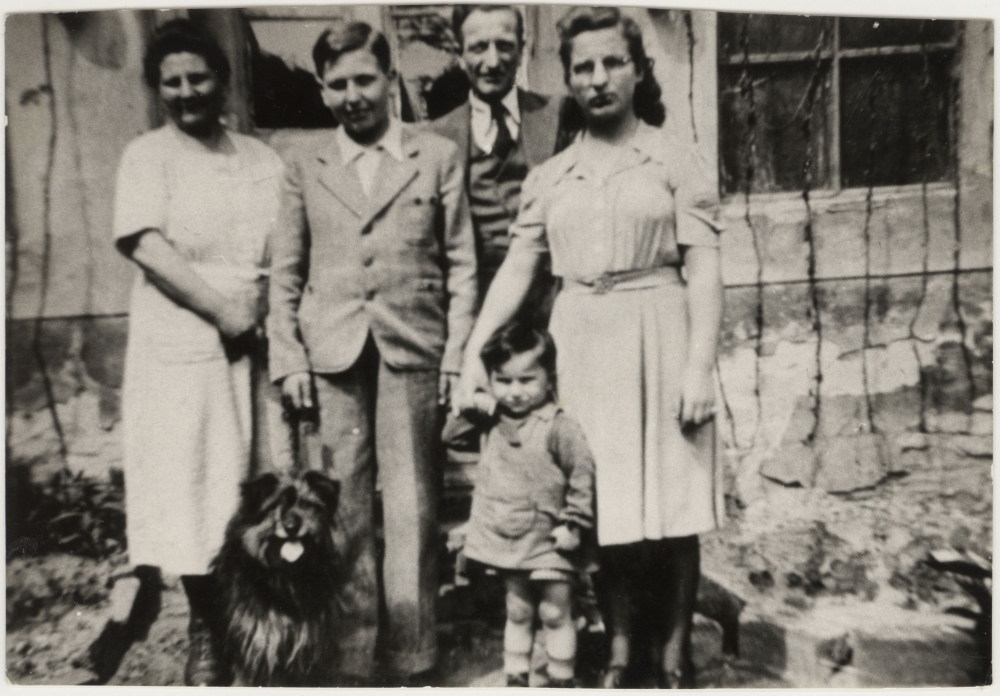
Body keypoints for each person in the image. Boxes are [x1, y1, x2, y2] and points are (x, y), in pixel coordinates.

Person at [453, 7, 724, 689]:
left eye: (611, 63)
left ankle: (672, 656)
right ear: (569, 79)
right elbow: (519, 269)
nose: (598, 78)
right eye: (583, 68)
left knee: (671, 501)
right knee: (603, 502)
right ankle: (625, 651)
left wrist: (698, 365)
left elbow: (707, 267)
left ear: (637, 70)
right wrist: (470, 354)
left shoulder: (674, 157)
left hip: (660, 330)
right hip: (581, 340)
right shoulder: (553, 175)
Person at [267, 22, 478, 684]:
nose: (353, 95)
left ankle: (413, 654)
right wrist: (290, 358)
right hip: (331, 356)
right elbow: (285, 272)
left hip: (412, 349)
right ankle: (352, 656)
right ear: (323, 92)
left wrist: (455, 355)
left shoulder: (436, 155)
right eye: (338, 85)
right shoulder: (304, 166)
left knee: (414, 507)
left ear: (389, 81)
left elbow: (464, 264)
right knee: (344, 507)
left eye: (364, 79)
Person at [112, 19, 285, 686]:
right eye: (172, 82)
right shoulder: (145, 157)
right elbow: (146, 247)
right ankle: (208, 628)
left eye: (198, 77)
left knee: (251, 486)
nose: (187, 92)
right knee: (190, 486)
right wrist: (224, 311)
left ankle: (261, 625)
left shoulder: (260, 159)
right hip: (181, 338)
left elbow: (283, 249)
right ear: (158, 90)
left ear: (223, 79)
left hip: (255, 341)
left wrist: (261, 317)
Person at [459, 320, 595, 688]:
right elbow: (450, 436)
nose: (515, 392)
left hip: (551, 537)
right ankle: (516, 679)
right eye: (503, 380)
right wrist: (474, 404)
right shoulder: (491, 420)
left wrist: (574, 523)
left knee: (554, 611)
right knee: (517, 610)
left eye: (526, 380)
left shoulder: (558, 425)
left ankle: (561, 679)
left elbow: (582, 474)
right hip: (508, 534)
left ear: (549, 378)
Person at [428, 5, 562, 301]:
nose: (492, 61)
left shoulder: (558, 115)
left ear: (522, 49)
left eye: (504, 46)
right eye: (478, 47)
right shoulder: (436, 138)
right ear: (460, 54)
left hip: (553, 302)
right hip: (476, 304)